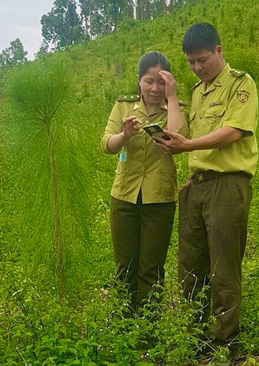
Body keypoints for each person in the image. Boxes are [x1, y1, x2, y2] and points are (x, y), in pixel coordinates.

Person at [153, 23, 258, 360]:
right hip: (195, 188)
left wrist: (188, 145)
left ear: (218, 51)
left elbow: (233, 132)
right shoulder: (197, 92)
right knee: (190, 266)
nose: (197, 68)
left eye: (201, 60)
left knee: (224, 267)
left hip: (227, 186)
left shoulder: (241, 84)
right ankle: (197, 341)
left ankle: (228, 343)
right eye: (190, 63)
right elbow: (183, 132)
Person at [100, 51, 186, 313]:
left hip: (159, 199)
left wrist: (172, 98)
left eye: (162, 82)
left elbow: (178, 136)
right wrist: (124, 135)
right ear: (139, 81)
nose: (155, 88)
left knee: (151, 268)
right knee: (125, 266)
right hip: (124, 197)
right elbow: (107, 144)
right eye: (149, 81)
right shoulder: (124, 107)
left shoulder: (176, 108)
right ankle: (125, 329)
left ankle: (148, 333)